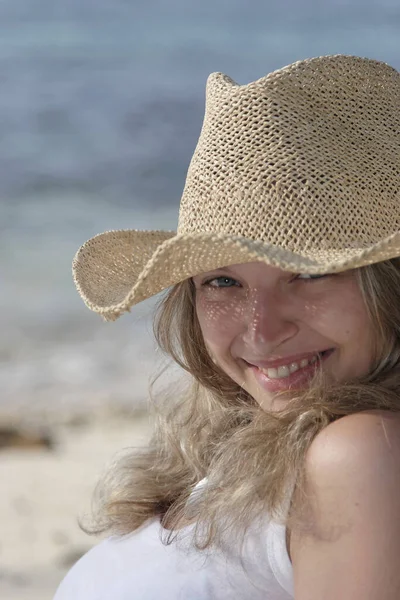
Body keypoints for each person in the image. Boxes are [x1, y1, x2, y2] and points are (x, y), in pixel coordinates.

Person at [54, 54, 400, 599]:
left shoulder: (360, 451)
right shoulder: (236, 445)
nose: (261, 332)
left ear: (390, 286)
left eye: (308, 274)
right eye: (222, 283)